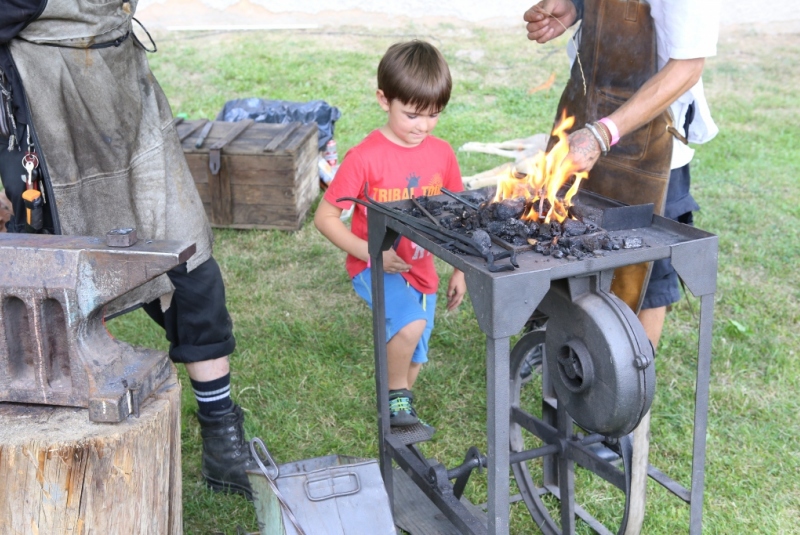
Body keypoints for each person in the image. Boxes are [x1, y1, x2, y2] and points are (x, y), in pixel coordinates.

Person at [0, 1, 257, 499]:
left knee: (190, 263)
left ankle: (221, 432)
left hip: (121, 94)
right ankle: (54, 441)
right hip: (41, 106)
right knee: (44, 282)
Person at [523, 0, 720, 531]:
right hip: (585, 121)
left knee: (642, 280)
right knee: (570, 258)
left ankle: (618, 411)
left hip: (644, 148)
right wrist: (572, 10)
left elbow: (687, 64)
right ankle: (573, 379)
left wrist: (607, 132)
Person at [314, 40, 466, 428]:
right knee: (409, 325)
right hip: (375, 267)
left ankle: (396, 406)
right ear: (384, 100)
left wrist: (461, 270)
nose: (423, 126)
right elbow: (326, 217)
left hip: (422, 271)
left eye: (434, 115)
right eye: (412, 114)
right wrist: (370, 254)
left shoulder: (443, 154)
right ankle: (396, 399)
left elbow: (458, 217)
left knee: (416, 352)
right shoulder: (364, 157)